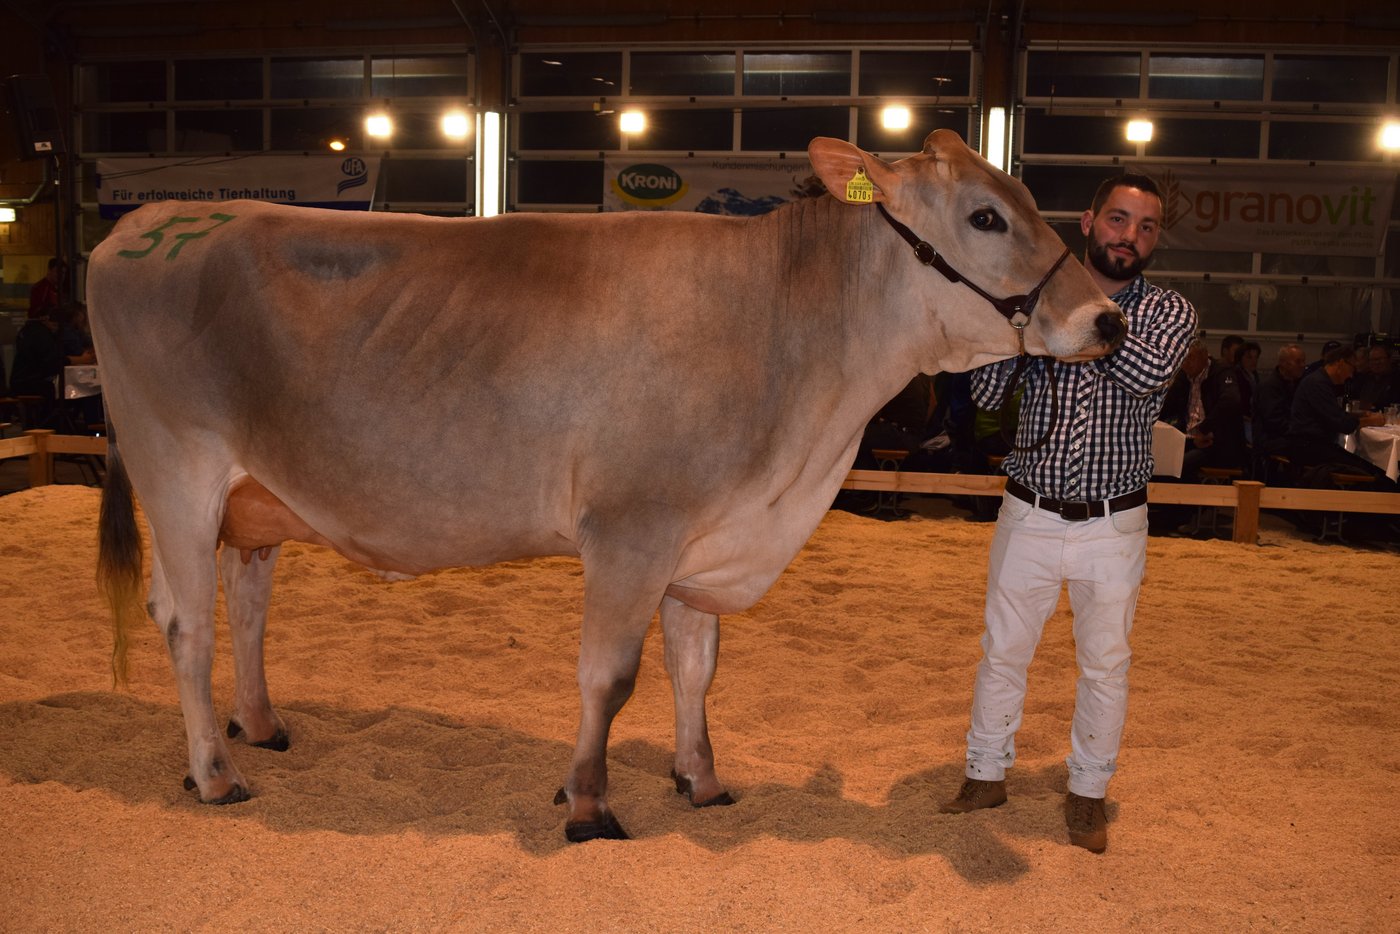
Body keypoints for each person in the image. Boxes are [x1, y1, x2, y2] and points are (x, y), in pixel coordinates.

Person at [939, 173, 1196, 854]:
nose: (1129, 238)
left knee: (1106, 664)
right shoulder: (1037, 299)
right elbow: (989, 389)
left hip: (1115, 522)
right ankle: (985, 773)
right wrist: (1024, 324)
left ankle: (1088, 792)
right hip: (1028, 511)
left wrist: (1058, 320)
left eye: (1145, 228)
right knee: (1003, 653)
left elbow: (1142, 372)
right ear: (1088, 220)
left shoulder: (1171, 311)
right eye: (1118, 220)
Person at [1284, 344, 1396, 495]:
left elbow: (1335, 414)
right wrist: (1370, 421)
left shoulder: (1318, 380)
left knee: (1368, 464)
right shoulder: (1317, 384)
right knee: (1372, 469)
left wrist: (1361, 416)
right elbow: (1342, 423)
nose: (1350, 375)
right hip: (1308, 446)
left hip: (1311, 443)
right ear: (1340, 363)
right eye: (1351, 369)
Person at [1252, 343, 1307, 471]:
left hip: (1284, 437)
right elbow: (1274, 421)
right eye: (1298, 362)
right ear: (1283, 363)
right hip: (1269, 441)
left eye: (1304, 361)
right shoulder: (1269, 387)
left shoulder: (1295, 384)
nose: (1303, 365)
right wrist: (1300, 430)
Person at [1352, 344, 1398, 412]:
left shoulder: (1396, 379)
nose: (1376, 363)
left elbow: (1394, 405)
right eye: (1372, 360)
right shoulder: (1363, 379)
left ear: (1389, 359)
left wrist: (1372, 406)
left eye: (1379, 359)